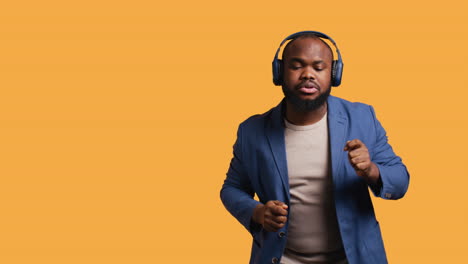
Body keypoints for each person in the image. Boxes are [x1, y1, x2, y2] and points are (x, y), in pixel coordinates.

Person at [220, 31, 410, 264]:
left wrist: (371, 170)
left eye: (318, 68)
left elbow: (400, 182)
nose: (307, 74)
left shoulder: (362, 118)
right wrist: (257, 212)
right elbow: (231, 188)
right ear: (279, 72)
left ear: (334, 74)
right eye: (296, 66)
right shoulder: (252, 131)